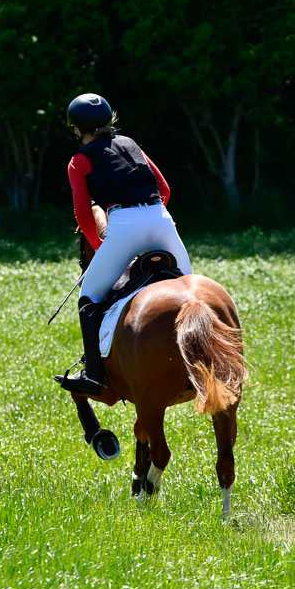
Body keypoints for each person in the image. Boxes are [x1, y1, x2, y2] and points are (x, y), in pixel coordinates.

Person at [57, 92, 192, 397]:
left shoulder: (78, 161)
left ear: (77, 129)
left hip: (123, 227)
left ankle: (93, 376)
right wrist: (152, 219)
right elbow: (164, 189)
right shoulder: (131, 144)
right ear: (108, 120)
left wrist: (101, 244)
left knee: (88, 298)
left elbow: (82, 212)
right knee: (192, 294)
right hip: (160, 218)